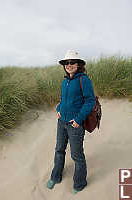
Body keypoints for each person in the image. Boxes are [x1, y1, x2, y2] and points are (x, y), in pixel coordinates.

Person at [47, 50, 95, 194]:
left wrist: (79, 119)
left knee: (77, 155)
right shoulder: (65, 81)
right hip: (62, 122)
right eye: (66, 63)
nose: (69, 65)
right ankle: (56, 177)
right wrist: (59, 108)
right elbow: (63, 99)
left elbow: (90, 100)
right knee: (59, 150)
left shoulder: (84, 80)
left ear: (78, 64)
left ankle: (80, 183)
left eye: (72, 62)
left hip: (75, 124)